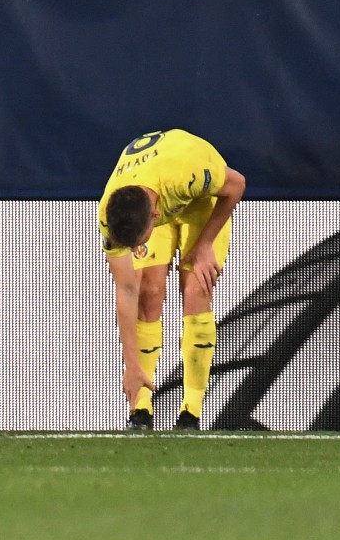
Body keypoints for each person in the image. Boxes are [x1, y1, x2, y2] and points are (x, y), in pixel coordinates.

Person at [99, 129, 246, 431]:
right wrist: (131, 367)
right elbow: (125, 289)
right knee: (147, 293)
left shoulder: (188, 172)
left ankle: (191, 412)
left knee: (196, 289)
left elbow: (237, 185)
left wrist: (205, 244)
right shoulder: (109, 216)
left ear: (155, 216)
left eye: (138, 243)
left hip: (200, 199)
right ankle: (140, 409)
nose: (136, 249)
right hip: (157, 191)